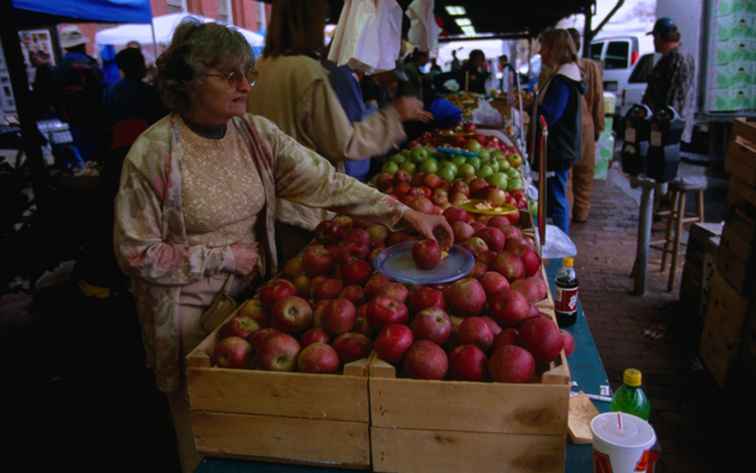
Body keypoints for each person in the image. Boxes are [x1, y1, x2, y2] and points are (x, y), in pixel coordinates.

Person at [113, 20, 452, 473]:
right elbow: (136, 253)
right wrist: (222, 258)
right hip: (185, 311)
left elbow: (327, 182)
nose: (244, 85)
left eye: (246, 73)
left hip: (251, 300)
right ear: (189, 81)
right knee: (204, 429)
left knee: (256, 425)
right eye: (228, 75)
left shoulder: (255, 134)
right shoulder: (154, 154)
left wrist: (404, 215)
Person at [248, 0, 432, 262]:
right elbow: (344, 144)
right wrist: (396, 114)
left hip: (271, 204)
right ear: (309, 22)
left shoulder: (263, 66)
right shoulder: (305, 71)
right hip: (307, 205)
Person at [537, 29, 585, 235]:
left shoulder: (562, 81)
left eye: (544, 48)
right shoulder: (567, 75)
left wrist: (535, 109)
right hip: (562, 146)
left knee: (557, 198)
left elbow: (550, 114)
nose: (540, 53)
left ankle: (561, 249)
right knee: (556, 194)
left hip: (558, 148)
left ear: (555, 49)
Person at [52, 25, 105, 162]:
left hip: (73, 116)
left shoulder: (60, 67)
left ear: (65, 47)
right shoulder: (90, 63)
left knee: (85, 153)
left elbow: (55, 94)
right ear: (82, 44)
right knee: (100, 152)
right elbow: (101, 88)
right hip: (95, 115)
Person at [567, 28, 605, 223]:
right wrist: (599, 126)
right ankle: (581, 213)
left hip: (567, 128)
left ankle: (566, 215)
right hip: (586, 125)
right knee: (585, 173)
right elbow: (598, 99)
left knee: (568, 174)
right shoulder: (591, 67)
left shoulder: (559, 69)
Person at [642, 17, 695, 142]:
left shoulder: (678, 59)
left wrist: (664, 123)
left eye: (654, 38)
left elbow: (676, 96)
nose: (653, 41)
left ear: (661, 37)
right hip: (667, 127)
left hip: (670, 129)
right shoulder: (670, 58)